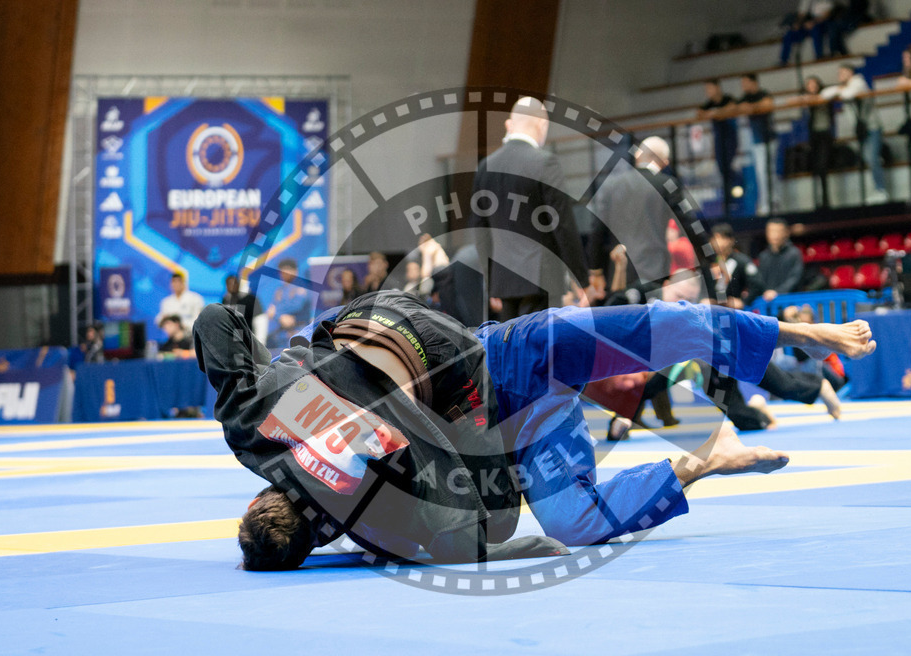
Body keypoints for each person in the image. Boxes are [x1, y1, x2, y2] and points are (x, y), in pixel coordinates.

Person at [194, 288, 876, 570]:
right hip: (488, 352)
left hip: (500, 398)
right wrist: (293, 355)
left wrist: (389, 543)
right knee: (650, 336)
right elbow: (215, 320)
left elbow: (488, 529)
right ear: (257, 498)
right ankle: (786, 344)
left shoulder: (381, 520)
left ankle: (704, 455)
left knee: (572, 520)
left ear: (314, 541)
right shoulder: (256, 427)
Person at [469, 97, 593, 321]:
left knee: (511, 351)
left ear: (510, 125)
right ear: (542, 125)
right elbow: (562, 224)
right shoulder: (545, 162)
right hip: (541, 279)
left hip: (503, 282)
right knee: (539, 352)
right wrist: (581, 280)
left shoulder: (485, 166)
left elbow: (480, 230)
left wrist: (491, 282)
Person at [587, 136, 674, 302]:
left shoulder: (611, 184)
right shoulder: (666, 184)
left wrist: (595, 270)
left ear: (638, 155)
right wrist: (712, 261)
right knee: (652, 324)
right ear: (665, 162)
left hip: (619, 270)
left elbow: (597, 229)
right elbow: (689, 226)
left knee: (620, 321)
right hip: (654, 271)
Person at [821, 64, 889, 204]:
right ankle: (878, 185)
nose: (840, 75)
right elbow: (824, 94)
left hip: (872, 127)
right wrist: (839, 89)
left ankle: (881, 190)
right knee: (867, 157)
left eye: (843, 72)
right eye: (839, 73)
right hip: (861, 130)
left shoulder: (859, 83)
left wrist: (839, 90)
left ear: (850, 73)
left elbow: (848, 94)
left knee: (871, 157)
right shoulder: (844, 86)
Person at [791, 76, 835, 208]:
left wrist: (808, 99)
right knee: (815, 167)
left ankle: (826, 199)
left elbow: (825, 97)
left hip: (825, 135)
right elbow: (793, 101)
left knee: (822, 166)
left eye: (813, 84)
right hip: (814, 136)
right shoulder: (807, 100)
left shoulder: (824, 95)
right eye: (808, 85)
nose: (811, 87)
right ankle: (817, 200)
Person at [736, 74, 777, 215]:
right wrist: (753, 107)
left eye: (745, 82)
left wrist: (753, 107)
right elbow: (739, 108)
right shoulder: (745, 97)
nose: (743, 86)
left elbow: (768, 104)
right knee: (761, 173)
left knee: (769, 172)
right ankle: (766, 204)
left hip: (768, 138)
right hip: (756, 140)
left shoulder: (763, 93)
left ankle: (772, 203)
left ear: (753, 82)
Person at [697, 79, 740, 206]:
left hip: (730, 138)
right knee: (722, 168)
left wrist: (716, 113)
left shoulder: (727, 99)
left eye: (710, 88)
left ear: (717, 88)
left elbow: (731, 109)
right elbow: (699, 113)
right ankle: (728, 199)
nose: (708, 92)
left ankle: (734, 196)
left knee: (729, 167)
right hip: (718, 140)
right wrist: (716, 113)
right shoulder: (709, 103)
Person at [710, 223, 764, 308]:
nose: (719, 242)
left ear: (731, 240)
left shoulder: (741, 260)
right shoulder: (709, 262)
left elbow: (757, 284)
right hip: (715, 309)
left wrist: (744, 301)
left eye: (723, 238)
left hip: (735, 310)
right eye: (716, 238)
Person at [265, 258, 310, 348]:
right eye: (282, 271)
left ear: (295, 271)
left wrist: (277, 312)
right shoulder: (280, 290)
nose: (284, 273)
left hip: (300, 330)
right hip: (282, 334)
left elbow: (296, 305)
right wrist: (279, 315)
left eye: (288, 270)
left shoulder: (302, 287)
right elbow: (271, 311)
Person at [758, 218, 804, 302]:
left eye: (778, 231)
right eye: (771, 231)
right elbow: (760, 281)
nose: (775, 235)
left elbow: (795, 278)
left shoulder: (794, 253)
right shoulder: (763, 256)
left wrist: (777, 292)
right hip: (768, 302)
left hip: (790, 301)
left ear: (786, 233)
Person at [780, 0, 836, 66]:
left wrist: (813, 22)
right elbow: (801, 14)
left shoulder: (827, 1)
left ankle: (819, 55)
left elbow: (826, 15)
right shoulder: (807, 1)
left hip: (822, 24)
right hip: (808, 23)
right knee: (789, 34)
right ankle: (784, 60)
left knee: (816, 30)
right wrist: (799, 23)